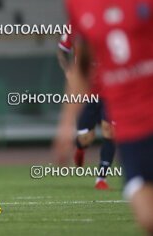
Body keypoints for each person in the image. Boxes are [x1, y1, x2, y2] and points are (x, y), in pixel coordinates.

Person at [53, 0, 153, 233]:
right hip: (133, 126)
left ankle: (101, 174)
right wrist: (67, 124)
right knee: (148, 218)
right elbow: (80, 65)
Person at [57, 32, 116, 189]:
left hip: (109, 90)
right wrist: (68, 70)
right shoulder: (74, 25)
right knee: (85, 137)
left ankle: (101, 178)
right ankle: (80, 148)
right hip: (86, 92)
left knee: (109, 130)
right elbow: (62, 51)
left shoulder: (109, 21)